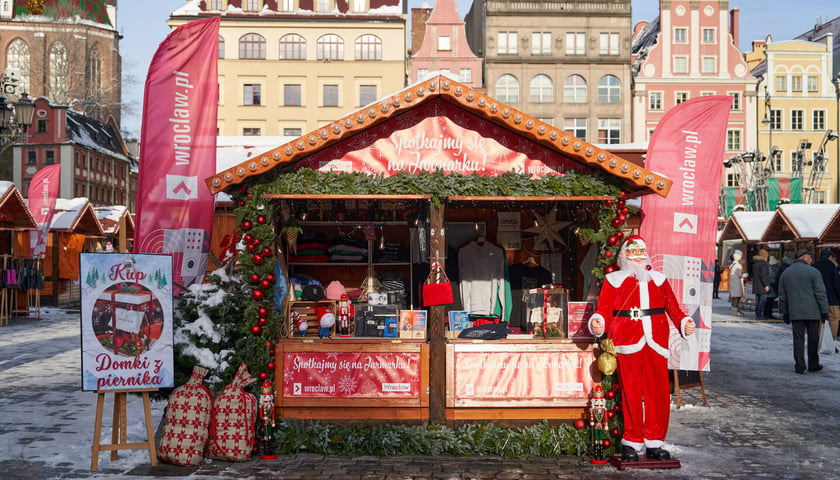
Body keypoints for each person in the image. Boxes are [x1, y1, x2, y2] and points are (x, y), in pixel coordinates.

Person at [589, 235, 695, 462]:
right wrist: (598, 321)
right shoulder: (614, 280)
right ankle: (632, 440)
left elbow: (674, 308)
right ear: (623, 255)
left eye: (640, 252)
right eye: (631, 252)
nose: (636, 256)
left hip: (656, 340)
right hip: (627, 340)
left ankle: (655, 442)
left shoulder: (659, 279)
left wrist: (684, 322)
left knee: (658, 392)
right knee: (631, 392)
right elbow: (604, 309)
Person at [778, 248, 829, 374]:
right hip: (813, 312)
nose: (811, 259)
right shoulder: (813, 272)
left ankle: (800, 366)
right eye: (810, 257)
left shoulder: (786, 273)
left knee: (798, 339)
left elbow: (782, 295)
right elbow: (820, 293)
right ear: (805, 257)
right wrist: (824, 311)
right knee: (813, 339)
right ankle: (813, 364)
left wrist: (785, 312)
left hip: (795, 312)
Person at [813, 250, 840, 338]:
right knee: (834, 319)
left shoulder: (814, 266)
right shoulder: (832, 267)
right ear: (830, 257)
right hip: (832, 300)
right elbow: (837, 284)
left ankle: (820, 340)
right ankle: (830, 341)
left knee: (820, 320)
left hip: (817, 299)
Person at [751, 249, 771, 320]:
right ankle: (759, 315)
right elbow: (764, 275)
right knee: (762, 301)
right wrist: (766, 285)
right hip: (762, 286)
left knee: (758, 301)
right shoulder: (763, 264)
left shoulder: (755, 263)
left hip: (756, 285)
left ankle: (757, 314)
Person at [728, 250, 745, 317]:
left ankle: (733, 310)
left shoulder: (731, 265)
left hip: (732, 283)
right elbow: (740, 275)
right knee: (737, 298)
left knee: (733, 297)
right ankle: (735, 311)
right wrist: (746, 275)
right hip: (737, 284)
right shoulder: (738, 266)